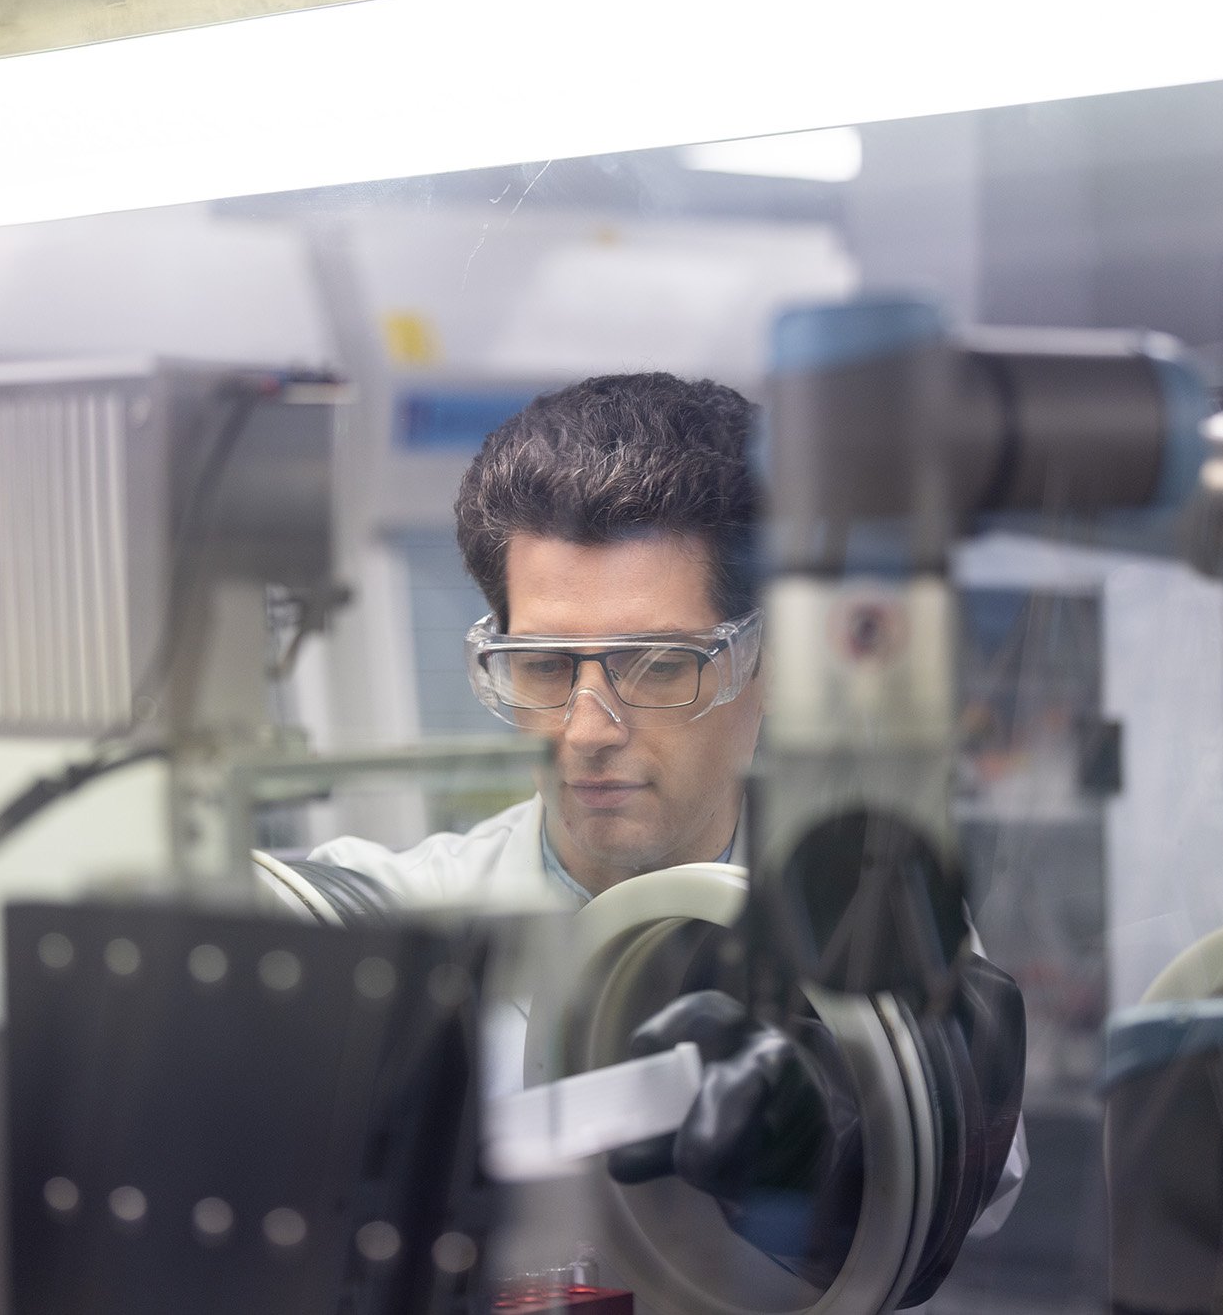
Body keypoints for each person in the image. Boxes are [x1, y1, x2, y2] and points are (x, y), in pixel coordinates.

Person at [267, 371, 1026, 1296]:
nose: (589, 727)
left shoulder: (865, 922)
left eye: (660, 665)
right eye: (543, 666)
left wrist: (833, 1124)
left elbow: (966, 1190)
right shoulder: (398, 920)